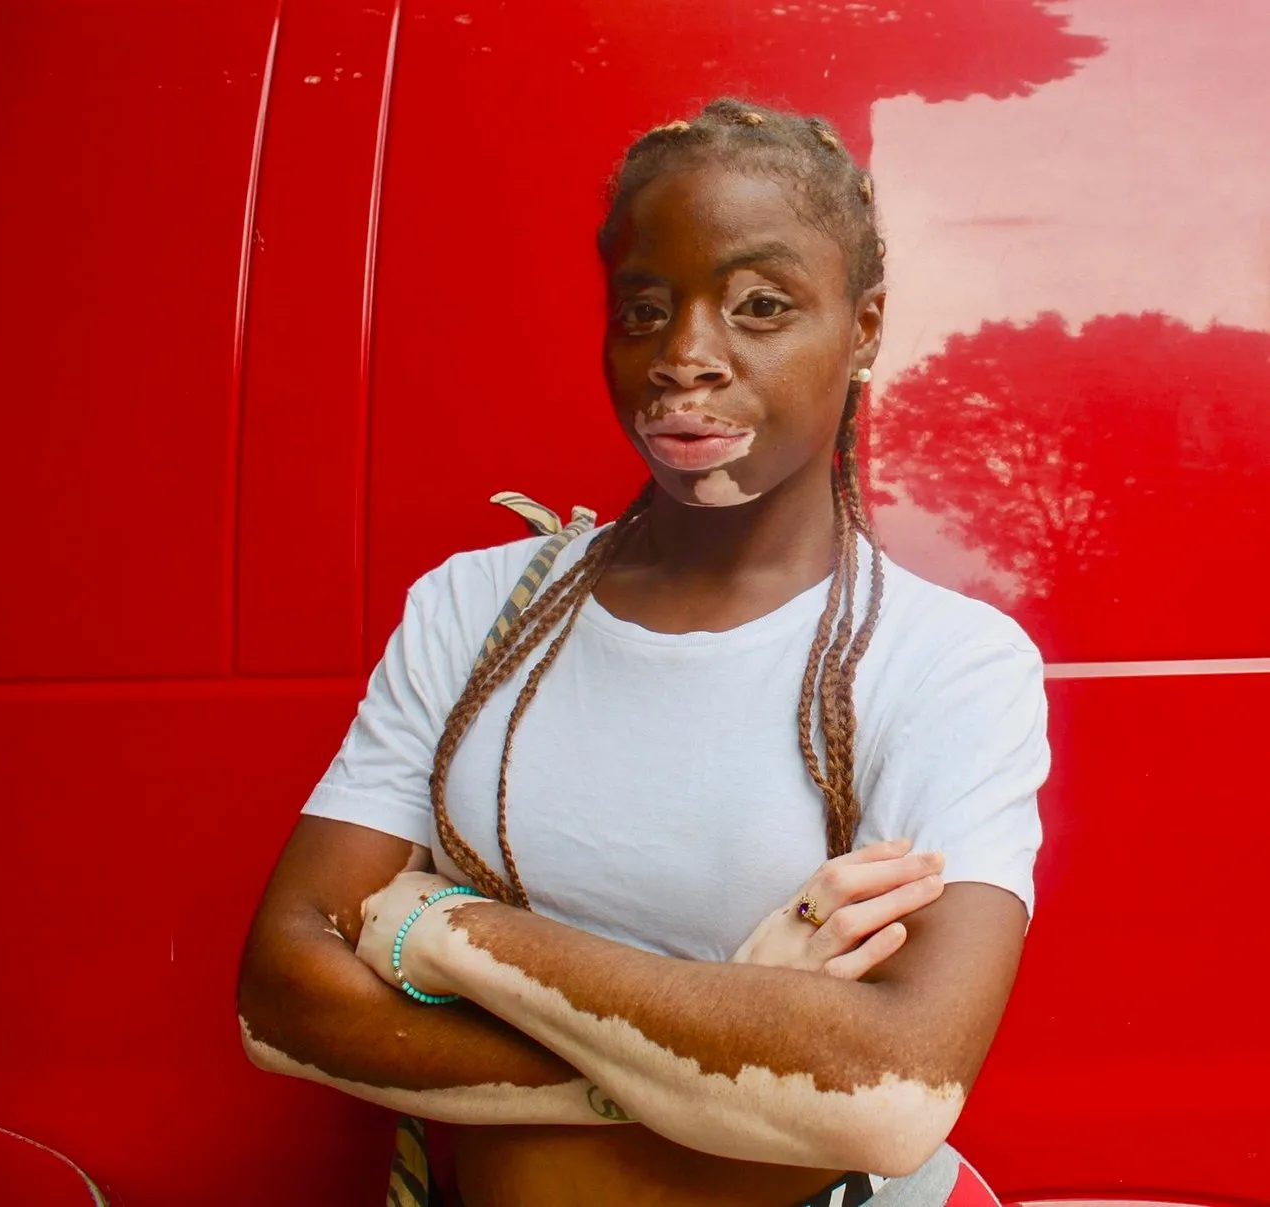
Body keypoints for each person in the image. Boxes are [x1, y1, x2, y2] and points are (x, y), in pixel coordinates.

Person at [237, 97, 1050, 1207]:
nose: (685, 356)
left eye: (762, 305)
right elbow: (282, 997)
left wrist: (439, 928)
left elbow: (889, 1097)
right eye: (643, 310)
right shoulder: (471, 608)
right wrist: (740, 1046)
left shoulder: (947, 661)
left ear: (862, 329)